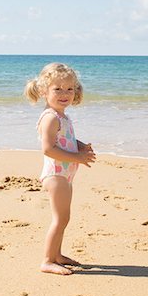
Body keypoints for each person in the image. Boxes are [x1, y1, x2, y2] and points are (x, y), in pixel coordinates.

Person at [25, 62, 96, 275]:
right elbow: (48, 148)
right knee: (60, 218)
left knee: (65, 217)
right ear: (44, 91)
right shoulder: (49, 118)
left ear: (76, 91)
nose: (64, 94)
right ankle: (47, 260)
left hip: (65, 174)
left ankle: (57, 255)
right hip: (56, 174)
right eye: (58, 89)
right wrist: (77, 157)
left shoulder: (62, 116)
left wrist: (80, 145)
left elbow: (65, 138)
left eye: (69, 89)